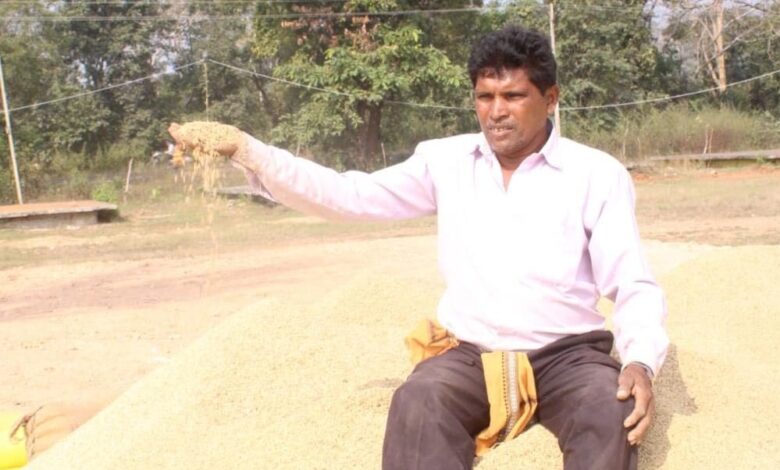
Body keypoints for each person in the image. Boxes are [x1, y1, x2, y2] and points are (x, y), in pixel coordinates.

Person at [169, 25, 668, 470]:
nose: (496, 112)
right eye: (484, 96)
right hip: (469, 353)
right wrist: (250, 151)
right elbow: (350, 194)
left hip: (568, 356)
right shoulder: (445, 162)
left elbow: (633, 283)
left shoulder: (595, 174)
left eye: (513, 96)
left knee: (612, 411)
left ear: (551, 97)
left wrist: (640, 362)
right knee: (418, 401)